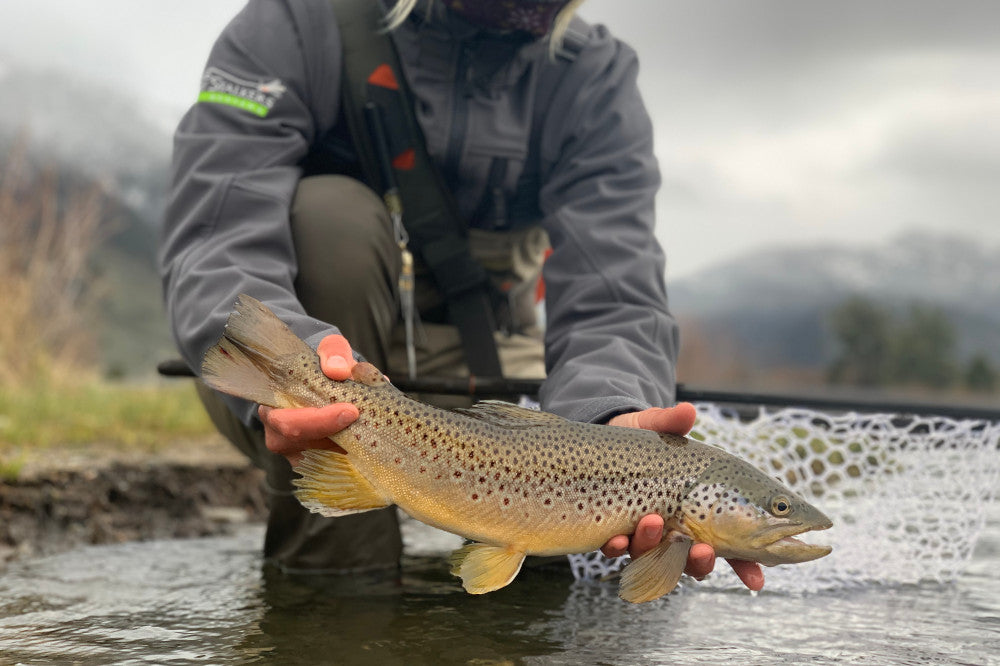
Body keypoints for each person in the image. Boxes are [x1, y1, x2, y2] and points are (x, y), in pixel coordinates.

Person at [159, 0, 764, 590]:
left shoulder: (594, 77)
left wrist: (606, 422)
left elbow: (616, 298)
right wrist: (303, 365)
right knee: (330, 219)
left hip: (491, 377)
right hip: (305, 368)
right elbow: (217, 242)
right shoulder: (297, 20)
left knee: (571, 571)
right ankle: (334, 595)